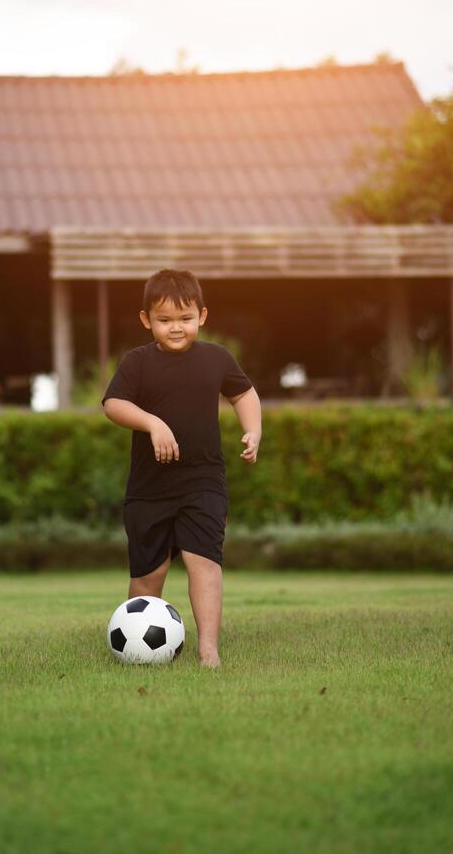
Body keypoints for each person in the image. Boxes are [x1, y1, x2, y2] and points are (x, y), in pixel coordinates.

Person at [101, 268, 262, 667]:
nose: (177, 328)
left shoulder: (216, 358)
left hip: (203, 481)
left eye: (185, 319)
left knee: (204, 559)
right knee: (148, 576)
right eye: (165, 320)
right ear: (146, 321)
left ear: (202, 316)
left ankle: (209, 649)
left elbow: (244, 394)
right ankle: (138, 648)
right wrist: (152, 422)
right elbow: (113, 405)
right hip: (149, 488)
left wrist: (253, 431)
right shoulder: (137, 363)